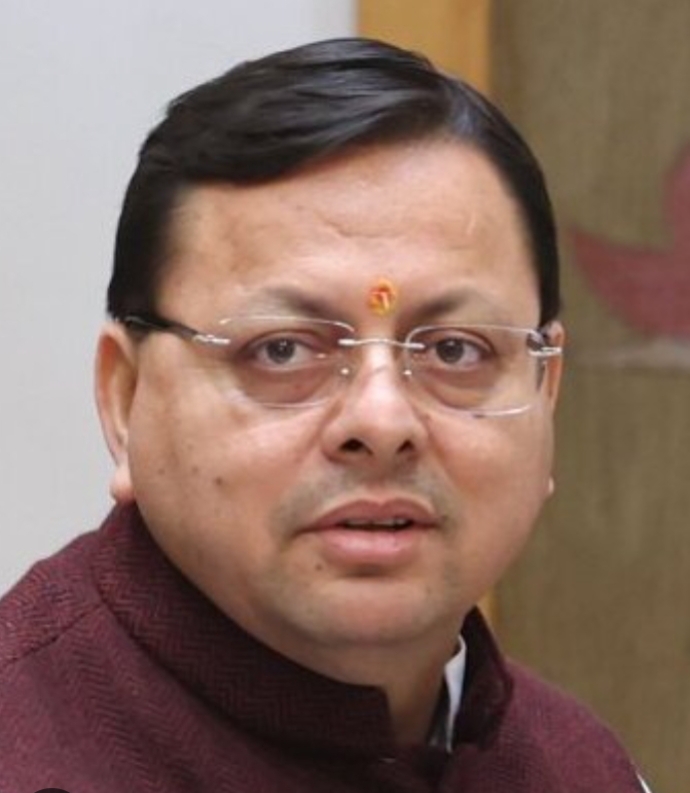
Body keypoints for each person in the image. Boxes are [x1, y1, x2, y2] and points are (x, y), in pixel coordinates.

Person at [0, 37, 651, 792]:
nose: (381, 421)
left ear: (546, 392)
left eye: (455, 349)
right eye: (281, 350)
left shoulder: (583, 768)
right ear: (125, 400)